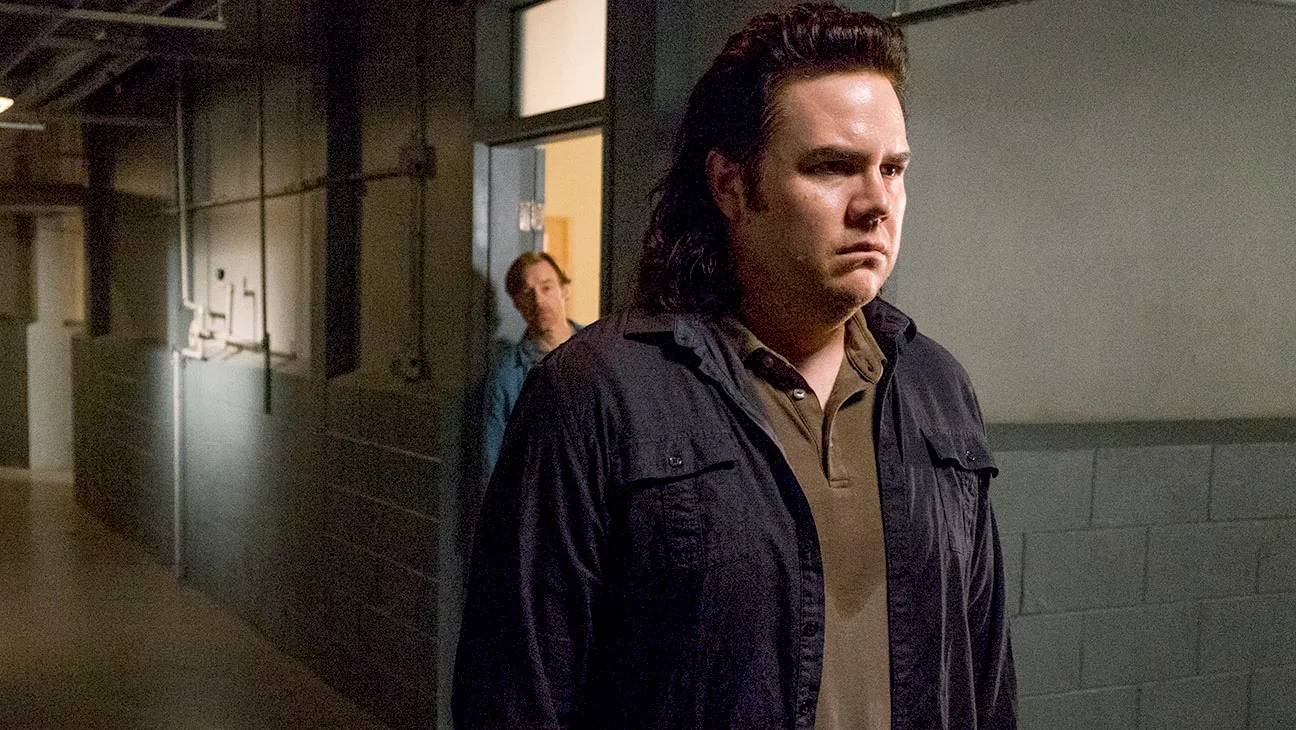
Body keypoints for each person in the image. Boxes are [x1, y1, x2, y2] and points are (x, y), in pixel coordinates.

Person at [454, 4, 1016, 728]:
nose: (877, 203)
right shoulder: (595, 394)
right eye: (832, 167)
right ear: (730, 185)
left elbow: (985, 676)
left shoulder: (937, 388)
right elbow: (515, 697)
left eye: (893, 169)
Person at [482, 251, 581, 474]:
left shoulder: (596, 350)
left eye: (547, 287)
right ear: (517, 303)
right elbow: (494, 459)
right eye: (528, 293)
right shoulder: (507, 376)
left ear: (564, 290)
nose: (539, 301)